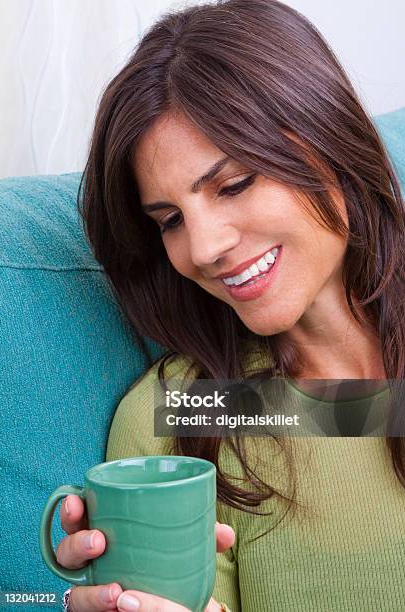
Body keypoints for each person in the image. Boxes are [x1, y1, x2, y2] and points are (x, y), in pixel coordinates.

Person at [54, 0, 405, 610]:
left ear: (330, 139)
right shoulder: (183, 417)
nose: (204, 248)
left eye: (234, 184)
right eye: (169, 221)